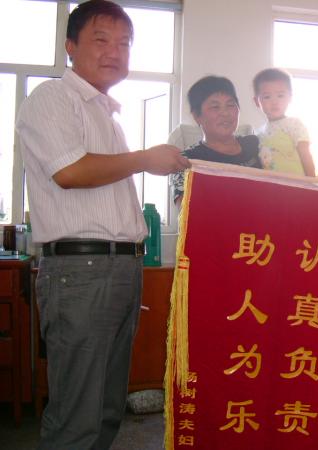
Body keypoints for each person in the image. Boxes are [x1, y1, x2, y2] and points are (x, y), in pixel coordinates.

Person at [15, 1, 190, 448]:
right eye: (101, 39)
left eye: (125, 43)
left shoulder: (106, 114)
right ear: (70, 46)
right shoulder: (53, 98)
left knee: (108, 408)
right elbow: (69, 171)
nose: (115, 51)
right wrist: (145, 159)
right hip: (82, 271)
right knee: (78, 416)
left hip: (119, 269)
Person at [171, 75, 263, 206]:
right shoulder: (187, 160)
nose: (225, 113)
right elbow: (189, 212)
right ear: (197, 116)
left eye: (230, 105)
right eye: (215, 107)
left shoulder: (257, 145)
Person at [253, 68, 316, 176]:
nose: (274, 102)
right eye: (267, 97)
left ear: (290, 97)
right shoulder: (259, 133)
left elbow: (306, 156)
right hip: (271, 185)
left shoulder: (294, 124)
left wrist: (312, 182)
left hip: (296, 184)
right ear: (257, 101)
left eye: (280, 95)